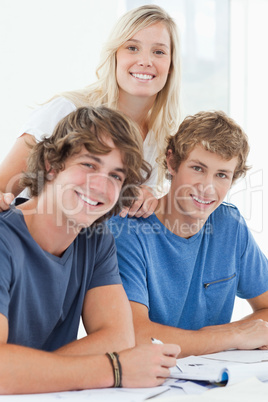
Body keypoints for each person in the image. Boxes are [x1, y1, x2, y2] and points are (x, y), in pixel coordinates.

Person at [0, 106, 180, 394]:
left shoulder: (95, 239)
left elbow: (119, 338)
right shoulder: (3, 237)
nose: (99, 186)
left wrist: (25, 373)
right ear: (51, 164)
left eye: (116, 176)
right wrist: (115, 369)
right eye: (89, 165)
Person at [107, 110, 268, 358]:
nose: (207, 187)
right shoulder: (127, 231)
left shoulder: (230, 224)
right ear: (172, 163)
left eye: (222, 175)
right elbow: (135, 335)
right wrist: (235, 335)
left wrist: (238, 335)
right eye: (197, 168)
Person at [0, 4, 181, 217]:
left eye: (158, 52)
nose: (145, 61)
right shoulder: (65, 110)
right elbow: (4, 191)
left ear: (170, 65)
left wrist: (146, 199)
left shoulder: (161, 138)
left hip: (95, 247)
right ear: (114, 55)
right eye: (132, 48)